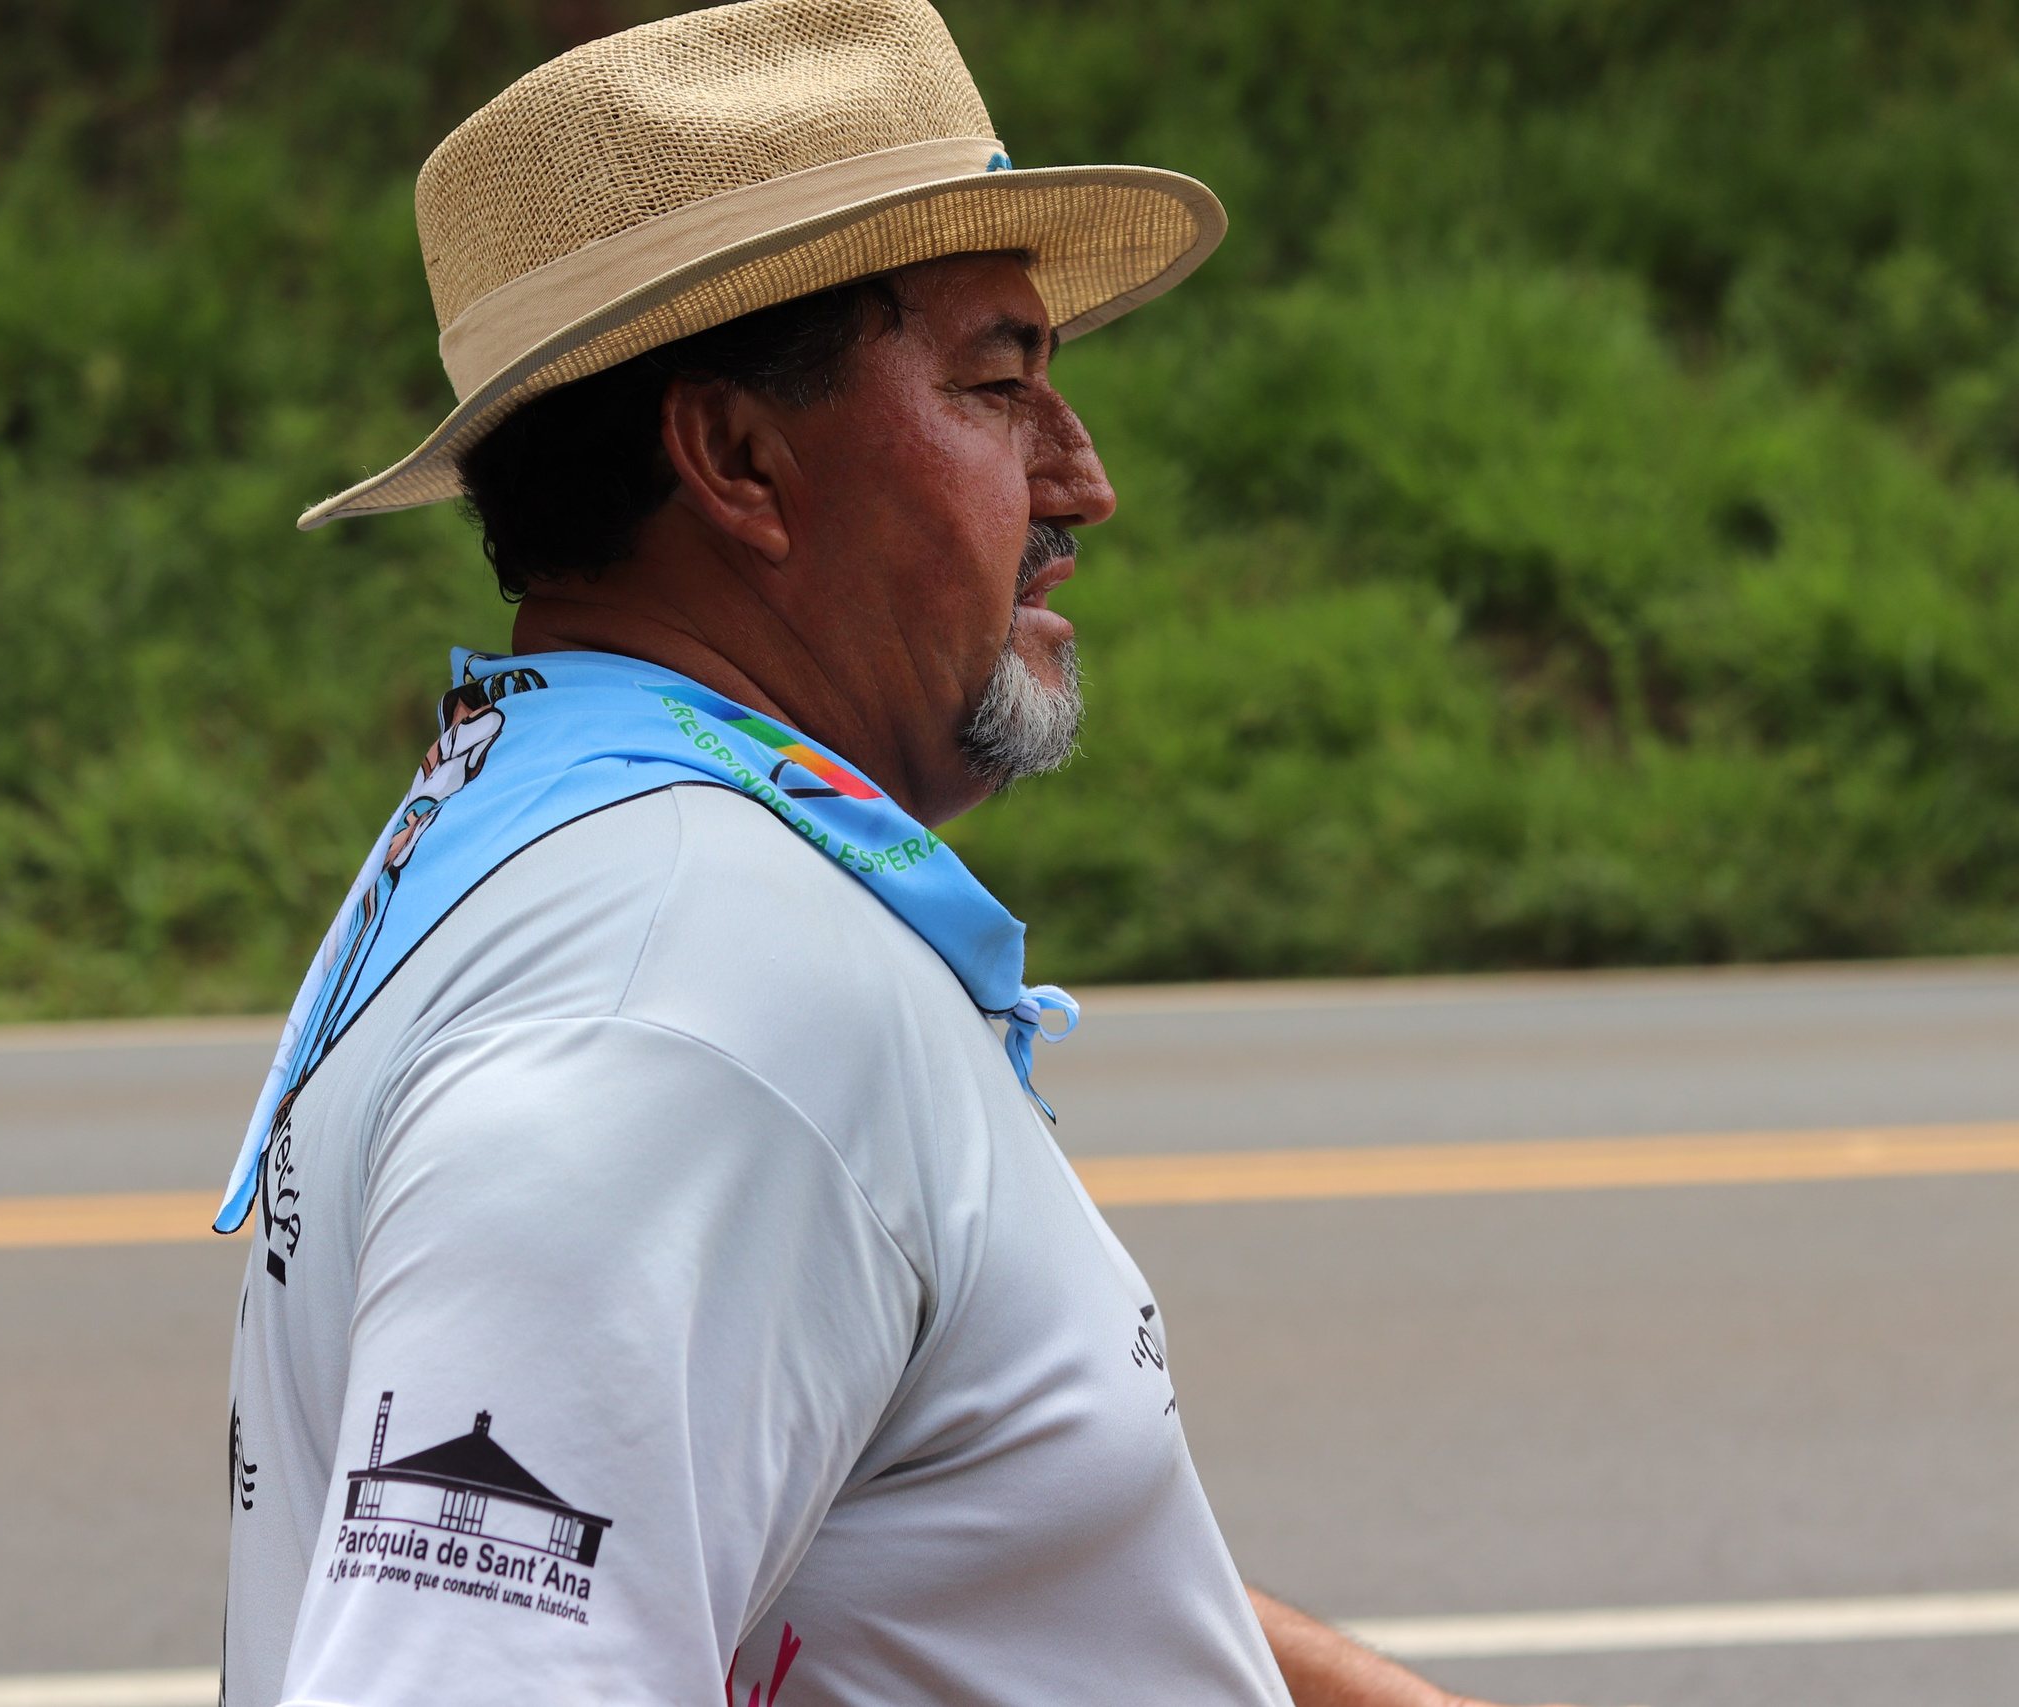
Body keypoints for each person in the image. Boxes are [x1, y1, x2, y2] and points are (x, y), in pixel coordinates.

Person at [215, 4, 1572, 1704]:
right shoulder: (685, 994)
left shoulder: (546, 847)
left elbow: (914, 1537)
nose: (1084, 476)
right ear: (736, 459)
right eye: (1000, 384)